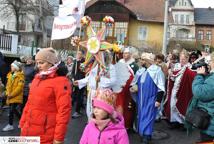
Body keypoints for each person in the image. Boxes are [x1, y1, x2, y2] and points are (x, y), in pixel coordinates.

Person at [20, 48, 71, 144]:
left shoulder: (61, 81)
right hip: (28, 130)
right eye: (37, 63)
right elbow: (29, 104)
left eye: (42, 63)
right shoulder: (37, 78)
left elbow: (64, 111)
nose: (38, 66)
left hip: (45, 133)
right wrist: (22, 124)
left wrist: (58, 138)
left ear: (51, 63)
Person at [130, 53, 165, 144]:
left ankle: (146, 135)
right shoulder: (140, 71)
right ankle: (146, 134)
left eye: (142, 59)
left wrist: (158, 100)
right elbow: (135, 83)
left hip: (151, 98)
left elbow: (161, 86)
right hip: (141, 99)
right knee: (142, 116)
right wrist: (134, 87)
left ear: (147, 61)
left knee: (149, 117)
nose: (140, 61)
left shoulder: (157, 71)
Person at [73, 50, 116, 120]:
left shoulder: (110, 67)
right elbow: (90, 77)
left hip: (102, 94)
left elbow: (113, 81)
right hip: (92, 92)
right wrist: (80, 82)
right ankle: (91, 126)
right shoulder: (96, 66)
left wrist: (101, 80)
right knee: (90, 112)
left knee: (100, 113)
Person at [164, 49, 196, 128]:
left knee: (182, 106)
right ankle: (175, 121)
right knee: (172, 105)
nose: (182, 60)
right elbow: (173, 79)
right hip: (175, 89)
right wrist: (171, 75)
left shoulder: (190, 68)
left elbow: (192, 78)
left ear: (187, 59)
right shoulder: (177, 66)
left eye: (184, 59)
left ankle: (183, 123)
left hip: (184, 91)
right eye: (181, 59)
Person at [186, 52, 214, 143]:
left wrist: (199, 75)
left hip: (210, 126)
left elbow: (200, 93)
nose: (209, 63)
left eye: (210, 61)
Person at [117, 47, 139, 129]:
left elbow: (137, 78)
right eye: (124, 53)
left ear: (130, 54)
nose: (124, 55)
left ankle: (127, 125)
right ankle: (118, 123)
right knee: (119, 105)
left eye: (126, 53)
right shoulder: (120, 63)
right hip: (120, 90)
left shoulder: (135, 65)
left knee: (128, 106)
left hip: (129, 90)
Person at [2, 60, 24, 131]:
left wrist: (11, 94)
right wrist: (8, 93)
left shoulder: (20, 76)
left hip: (16, 96)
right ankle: (22, 121)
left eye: (12, 66)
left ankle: (10, 125)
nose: (11, 67)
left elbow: (19, 88)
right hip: (10, 96)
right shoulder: (10, 75)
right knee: (13, 110)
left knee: (11, 110)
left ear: (16, 68)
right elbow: (8, 85)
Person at [71, 51, 85, 118]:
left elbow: (83, 71)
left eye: (79, 54)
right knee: (74, 94)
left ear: (82, 55)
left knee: (80, 96)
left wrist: (79, 81)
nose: (78, 55)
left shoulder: (84, 61)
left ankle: (77, 111)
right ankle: (79, 105)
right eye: (77, 53)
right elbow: (73, 71)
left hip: (81, 81)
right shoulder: (75, 61)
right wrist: (73, 79)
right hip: (75, 81)